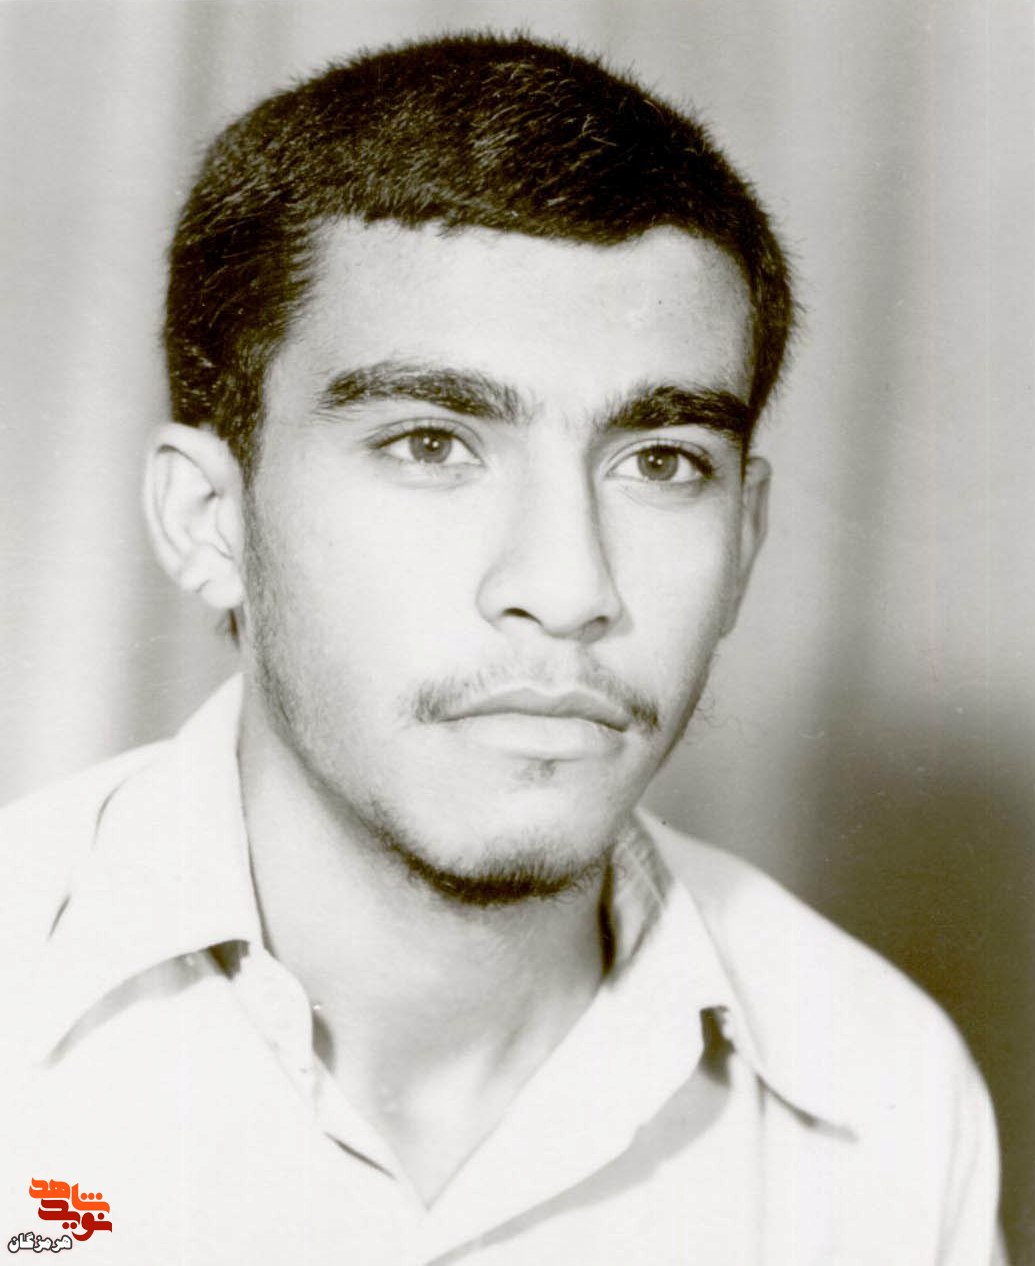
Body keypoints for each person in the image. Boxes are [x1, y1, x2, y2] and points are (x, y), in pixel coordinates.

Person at [0, 32, 1005, 1265]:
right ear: (209, 520)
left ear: (745, 542)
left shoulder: (884, 1100)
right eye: (431, 444)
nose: (569, 587)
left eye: (661, 463)